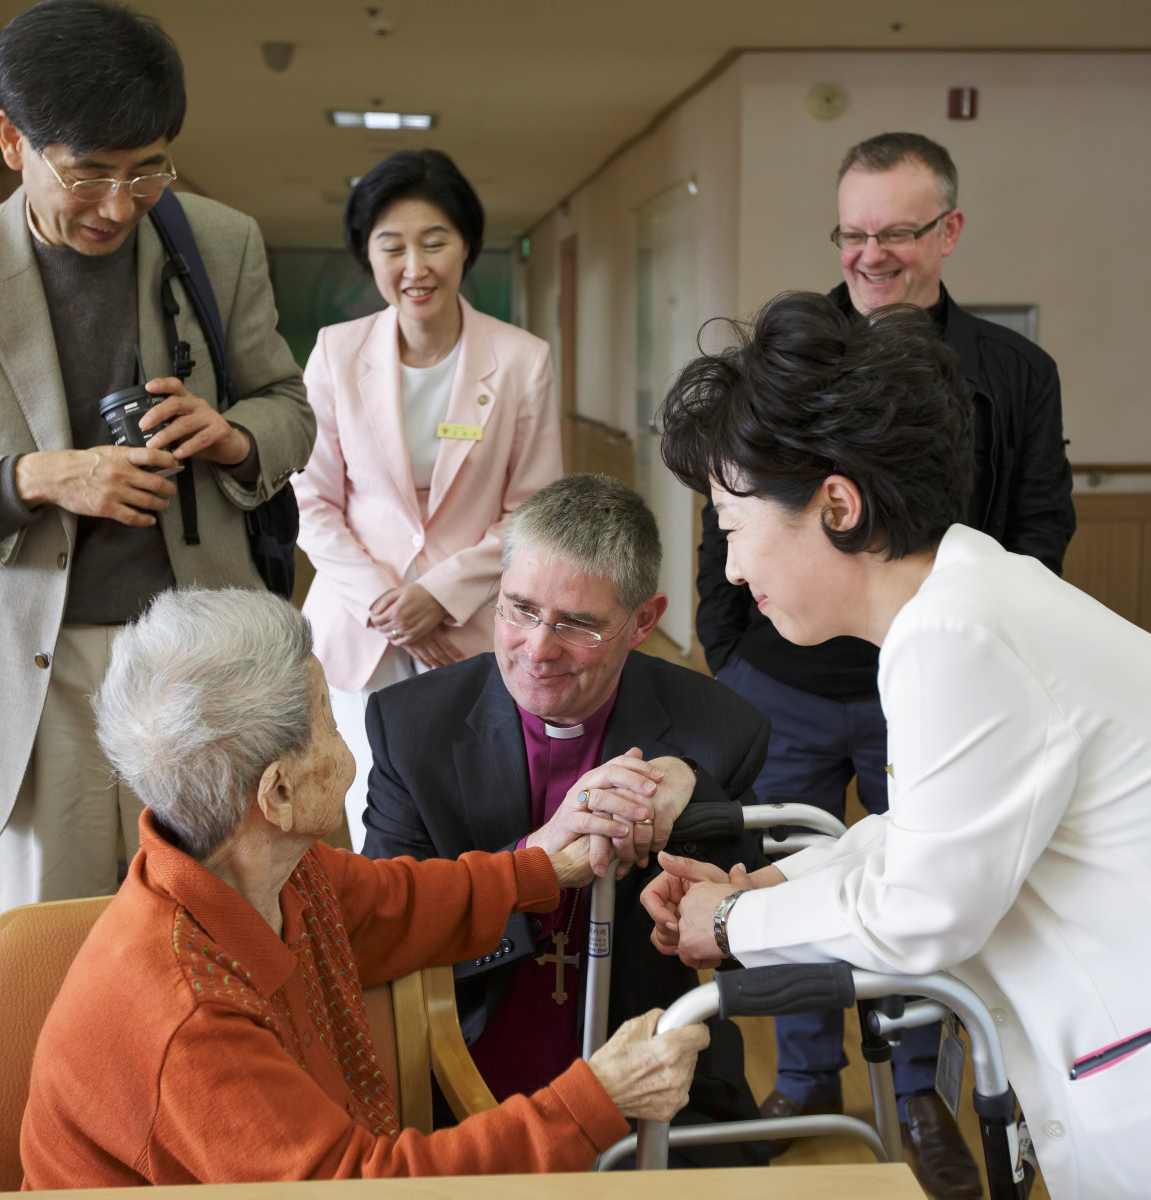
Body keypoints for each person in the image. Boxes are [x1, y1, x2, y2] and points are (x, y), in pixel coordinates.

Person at [644, 291, 1151, 1200]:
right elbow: (922, 832)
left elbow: (925, 909)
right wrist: (768, 885)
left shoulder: (955, 635)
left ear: (836, 504)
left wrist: (729, 924)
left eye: (733, 527)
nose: (731, 567)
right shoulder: (966, 596)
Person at [20, 587, 709, 1186]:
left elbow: (391, 907)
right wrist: (599, 1095)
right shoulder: (189, 1016)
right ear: (279, 791)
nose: (348, 748)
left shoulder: (257, 865)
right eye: (326, 719)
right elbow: (351, 1188)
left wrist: (542, 867)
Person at [693, 132, 1075, 1198]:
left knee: (928, 881)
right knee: (793, 870)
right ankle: (805, 1082)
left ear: (947, 233)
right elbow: (726, 517)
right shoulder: (786, 355)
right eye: (853, 234)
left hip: (947, 683)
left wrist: (982, 645)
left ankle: (919, 1089)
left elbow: (1042, 523)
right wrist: (733, 652)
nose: (871, 256)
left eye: (896, 234)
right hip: (791, 685)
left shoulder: (1014, 372)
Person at [0, 0, 315, 913]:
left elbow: (289, 409)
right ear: (11, 140)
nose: (120, 206)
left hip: (200, 661)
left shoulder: (218, 243)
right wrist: (37, 476)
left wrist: (231, 436)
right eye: (89, 174)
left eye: (148, 170)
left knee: (221, 927)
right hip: (38, 659)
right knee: (53, 941)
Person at [363, 474, 771, 1168]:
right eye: (518, 608)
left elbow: (745, 943)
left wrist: (693, 802)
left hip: (657, 1078)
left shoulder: (720, 730)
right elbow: (384, 930)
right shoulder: (411, 726)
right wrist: (533, 859)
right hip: (456, 1065)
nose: (538, 648)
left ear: (643, 621)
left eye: (578, 624)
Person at [295, 150, 561, 851]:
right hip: (360, 630)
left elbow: (535, 508)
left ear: (466, 245)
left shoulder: (521, 359)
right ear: (368, 256)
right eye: (393, 246)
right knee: (362, 821)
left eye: (434, 241)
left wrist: (437, 594)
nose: (415, 266)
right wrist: (388, 605)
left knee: (465, 824)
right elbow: (310, 498)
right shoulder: (334, 352)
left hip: (467, 626)